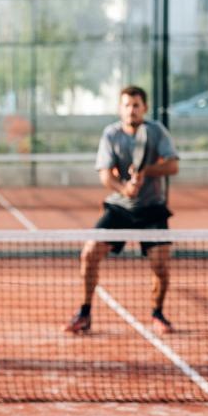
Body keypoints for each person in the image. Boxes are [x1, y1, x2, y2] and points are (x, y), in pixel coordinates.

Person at [66, 86, 180, 335]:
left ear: (144, 108)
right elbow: (105, 175)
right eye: (127, 105)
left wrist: (147, 172)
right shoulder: (111, 134)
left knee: (160, 266)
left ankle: (157, 313)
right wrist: (124, 188)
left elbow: (172, 166)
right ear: (120, 108)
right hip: (120, 208)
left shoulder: (156, 131)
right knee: (89, 253)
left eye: (136, 105)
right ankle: (85, 312)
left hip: (152, 208)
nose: (131, 110)